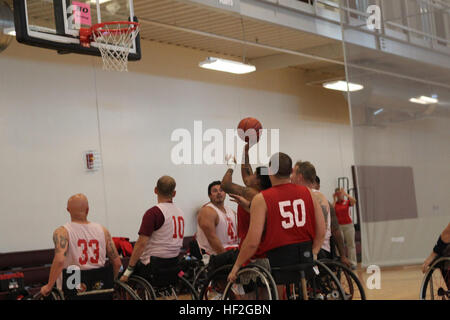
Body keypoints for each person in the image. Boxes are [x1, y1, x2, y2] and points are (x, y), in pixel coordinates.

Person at [227, 152, 326, 298]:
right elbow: (321, 229)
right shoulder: (308, 192)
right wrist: (315, 252)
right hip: (305, 257)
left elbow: (253, 242)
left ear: (270, 171)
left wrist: (236, 266)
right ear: (291, 171)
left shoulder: (262, 199)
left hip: (278, 262)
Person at [40, 194, 122, 296]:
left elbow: (60, 260)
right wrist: (111, 282)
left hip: (73, 286)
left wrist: (49, 286)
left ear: (68, 210)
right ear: (88, 210)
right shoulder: (103, 231)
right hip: (100, 286)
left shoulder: (62, 232)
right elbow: (117, 263)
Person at [120, 176, 185, 282]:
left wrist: (129, 270)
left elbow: (141, 244)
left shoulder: (154, 213)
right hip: (174, 264)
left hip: (154, 266)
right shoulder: (180, 213)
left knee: (123, 276)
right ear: (174, 193)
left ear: (155, 190)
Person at [291, 162, 351, 267]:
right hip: (325, 250)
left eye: (293, 173)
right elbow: (335, 229)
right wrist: (342, 255)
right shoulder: (323, 199)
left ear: (299, 177)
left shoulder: (303, 197)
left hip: (313, 250)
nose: (291, 177)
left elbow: (333, 229)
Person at [221, 144, 271, 246]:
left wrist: (231, 166)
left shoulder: (253, 194)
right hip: (256, 242)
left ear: (258, 181)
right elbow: (247, 175)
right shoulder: (259, 191)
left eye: (254, 174)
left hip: (253, 246)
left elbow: (225, 185)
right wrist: (245, 152)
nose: (251, 175)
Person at [196, 181, 238, 255]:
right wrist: (226, 257)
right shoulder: (207, 211)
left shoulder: (231, 211)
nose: (219, 193)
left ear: (225, 193)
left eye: (221, 190)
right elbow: (211, 238)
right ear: (210, 195)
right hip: (216, 254)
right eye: (215, 191)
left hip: (234, 250)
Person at [333, 188, 358, 269]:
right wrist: (334, 198)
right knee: (340, 245)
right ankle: (341, 264)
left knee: (351, 244)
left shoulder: (346, 202)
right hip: (339, 227)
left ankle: (353, 263)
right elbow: (332, 210)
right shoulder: (335, 204)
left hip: (348, 226)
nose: (339, 195)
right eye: (338, 194)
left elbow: (354, 201)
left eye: (340, 193)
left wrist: (346, 194)